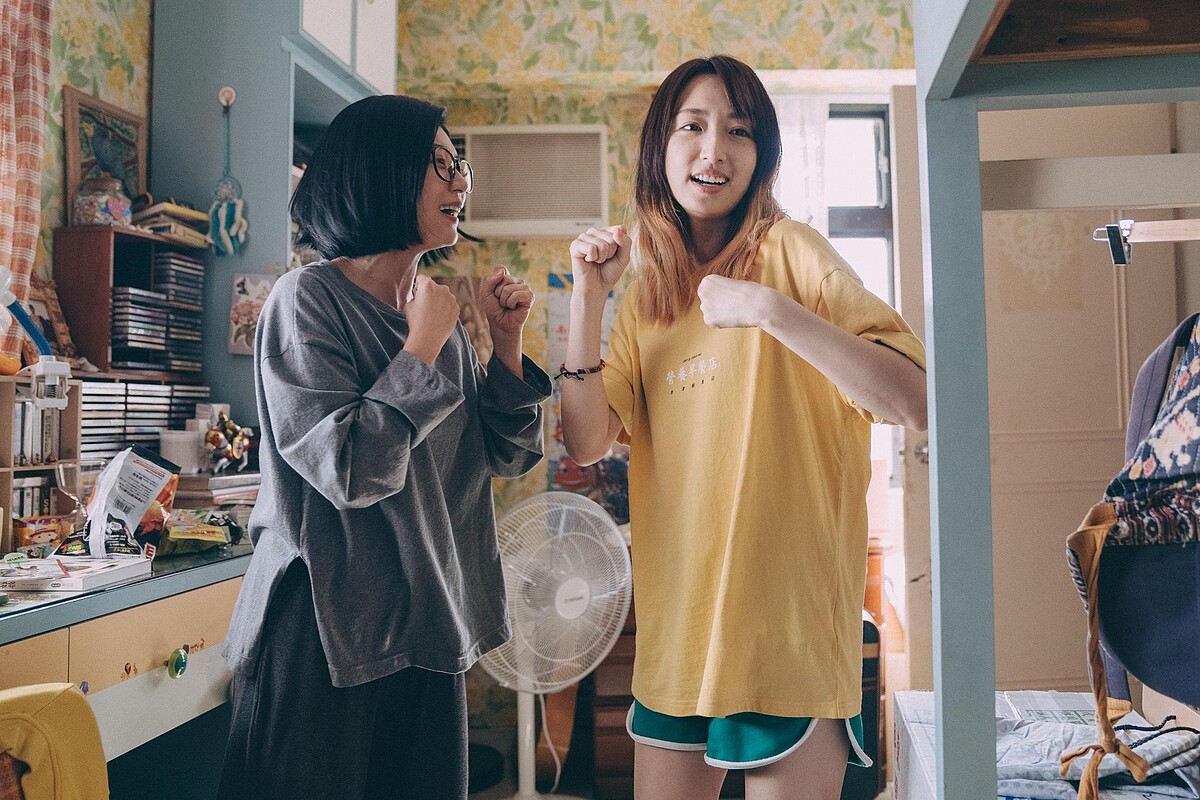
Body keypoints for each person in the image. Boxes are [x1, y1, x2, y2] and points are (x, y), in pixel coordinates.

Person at [560, 56, 927, 800]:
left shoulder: (795, 251)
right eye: (692, 126)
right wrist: (588, 297)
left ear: (763, 156)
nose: (714, 150)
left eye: (739, 131)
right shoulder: (647, 300)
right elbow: (587, 440)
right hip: (680, 640)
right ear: (660, 148)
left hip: (787, 640)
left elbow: (914, 401)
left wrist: (769, 310)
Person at [217, 94, 551, 800]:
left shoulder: (435, 319)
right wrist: (422, 345)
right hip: (326, 635)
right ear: (381, 173)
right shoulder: (305, 301)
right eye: (440, 164)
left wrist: (506, 344)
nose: (461, 181)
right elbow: (351, 471)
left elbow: (506, 456)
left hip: (427, 622)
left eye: (460, 164)